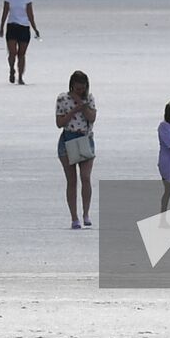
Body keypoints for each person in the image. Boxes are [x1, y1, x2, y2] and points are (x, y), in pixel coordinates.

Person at [55, 70, 97, 229]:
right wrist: (73, 110)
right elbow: (59, 122)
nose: (80, 91)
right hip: (68, 139)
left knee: (85, 177)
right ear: (72, 86)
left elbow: (92, 118)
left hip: (85, 138)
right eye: (78, 88)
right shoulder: (62, 98)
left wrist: (82, 104)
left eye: (83, 88)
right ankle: (74, 217)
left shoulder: (89, 98)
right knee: (71, 181)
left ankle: (86, 213)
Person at [0, 0, 40, 84]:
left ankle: (20, 77)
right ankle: (12, 70)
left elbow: (30, 14)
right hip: (12, 26)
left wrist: (35, 28)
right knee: (12, 53)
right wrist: (1, 27)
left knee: (22, 54)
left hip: (24, 27)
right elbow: (5, 12)